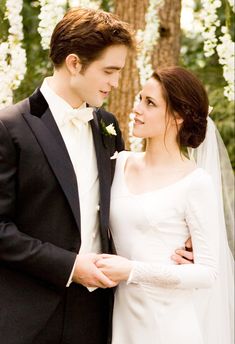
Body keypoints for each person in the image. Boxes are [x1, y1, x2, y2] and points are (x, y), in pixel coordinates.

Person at [0, 7, 134, 344]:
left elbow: (123, 202)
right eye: (108, 71)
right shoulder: (9, 126)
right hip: (26, 317)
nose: (115, 83)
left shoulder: (108, 127)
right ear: (74, 63)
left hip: (98, 315)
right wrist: (70, 265)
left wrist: (173, 244)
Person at [96, 66, 234, 344]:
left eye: (150, 103)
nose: (136, 109)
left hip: (169, 326)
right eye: (139, 98)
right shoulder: (118, 163)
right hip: (119, 319)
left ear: (177, 116)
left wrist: (132, 270)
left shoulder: (196, 183)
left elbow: (207, 273)